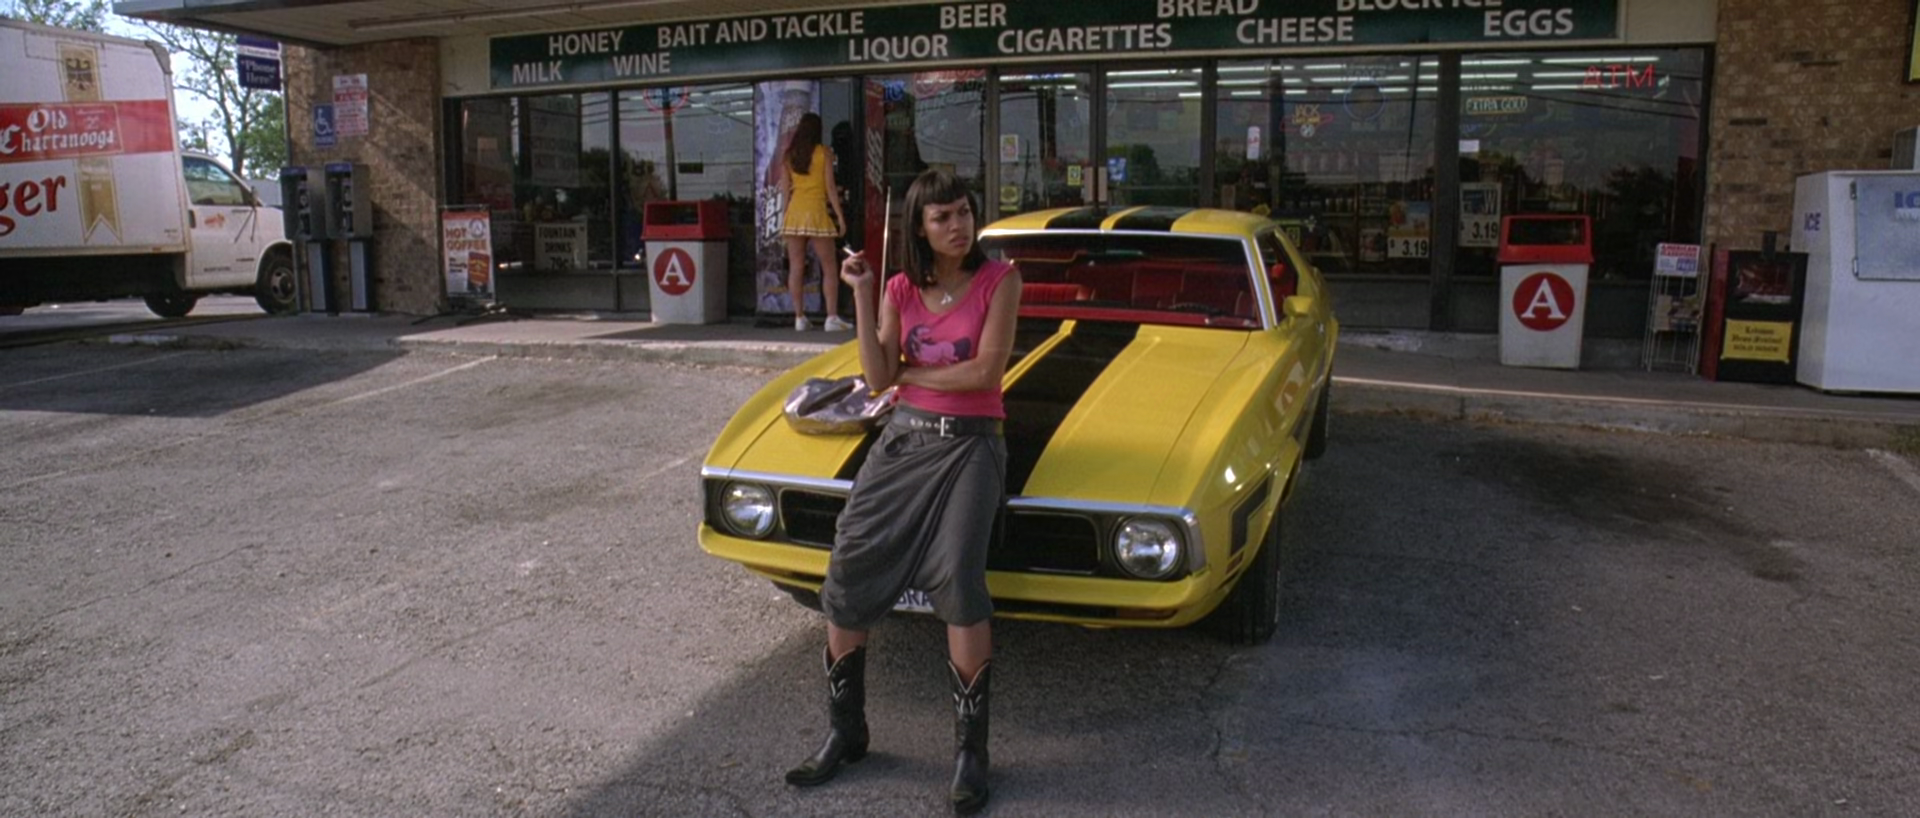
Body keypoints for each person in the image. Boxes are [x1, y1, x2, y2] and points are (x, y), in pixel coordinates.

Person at [785, 168, 1022, 817]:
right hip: (903, 441)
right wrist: (862, 295)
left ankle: (971, 754)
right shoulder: (897, 286)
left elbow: (985, 372)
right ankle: (846, 732)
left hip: (971, 444)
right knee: (849, 564)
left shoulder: (1000, 280)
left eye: (964, 212)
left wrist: (911, 375)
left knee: (959, 576)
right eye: (942, 217)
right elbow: (876, 373)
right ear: (919, 226)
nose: (957, 225)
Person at [780, 112, 852, 331]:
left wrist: (784, 218)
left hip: (794, 214)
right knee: (829, 267)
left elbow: (785, 192)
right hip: (817, 213)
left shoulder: (788, 156)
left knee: (796, 267)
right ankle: (831, 317)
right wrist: (840, 216)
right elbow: (830, 187)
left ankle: (799, 317)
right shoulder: (824, 153)